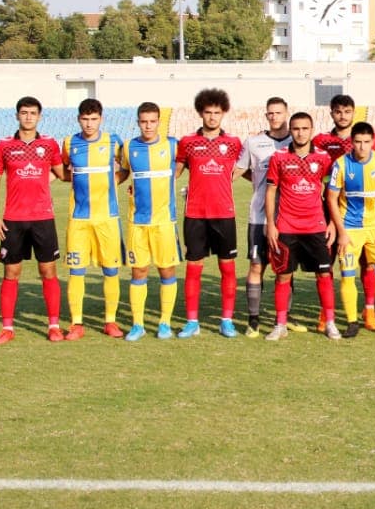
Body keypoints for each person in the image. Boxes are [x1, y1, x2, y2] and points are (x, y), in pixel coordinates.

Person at [0, 95, 65, 344]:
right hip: (13, 219)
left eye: (33, 113)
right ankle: (7, 328)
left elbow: (61, 174)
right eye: (24, 112)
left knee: (48, 270)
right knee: (11, 272)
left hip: (43, 218)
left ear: (40, 116)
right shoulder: (4, 146)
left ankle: (54, 325)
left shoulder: (51, 145)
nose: (28, 117)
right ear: (17, 115)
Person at [174, 88, 243, 338]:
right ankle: (192, 322)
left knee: (228, 268)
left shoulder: (233, 144)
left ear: (223, 113)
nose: (213, 117)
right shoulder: (187, 142)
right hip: (195, 214)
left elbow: (244, 169)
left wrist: (228, 180)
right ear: (200, 113)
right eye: (208, 112)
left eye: (217, 112)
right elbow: (176, 171)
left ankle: (227, 320)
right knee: (194, 268)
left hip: (224, 214)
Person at [264, 112, 339, 340]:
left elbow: (332, 193)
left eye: (304, 128)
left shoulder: (324, 159)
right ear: (291, 130)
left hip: (316, 226)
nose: (300, 133)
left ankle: (330, 322)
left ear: (311, 130)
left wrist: (333, 224)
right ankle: (280, 325)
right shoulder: (279, 158)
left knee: (324, 274)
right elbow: (271, 191)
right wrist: (271, 224)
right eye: (296, 129)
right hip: (286, 227)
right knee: (283, 276)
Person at [60, 98, 125, 339]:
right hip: (78, 219)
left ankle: (110, 321)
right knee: (76, 271)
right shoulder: (69, 143)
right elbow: (62, 171)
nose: (89, 124)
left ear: (101, 118)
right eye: (85, 119)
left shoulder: (113, 141)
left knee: (111, 270)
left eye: (94, 119)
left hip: (107, 218)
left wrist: (115, 180)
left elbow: (127, 167)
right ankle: (76, 323)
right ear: (78, 119)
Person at [117, 102, 181, 342]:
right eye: (144, 121)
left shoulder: (172, 146)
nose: (148, 126)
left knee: (167, 270)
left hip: (165, 221)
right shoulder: (128, 147)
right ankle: (138, 324)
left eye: (152, 121)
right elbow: (123, 173)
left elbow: (183, 167)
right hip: (138, 222)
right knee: (139, 270)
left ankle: (164, 323)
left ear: (158, 122)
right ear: (138, 122)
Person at [315, 94, 375, 330]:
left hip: (361, 212)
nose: (343, 116)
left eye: (347, 111)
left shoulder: (363, 139)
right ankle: (326, 311)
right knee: (327, 262)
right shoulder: (320, 141)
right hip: (328, 208)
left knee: (367, 262)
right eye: (338, 111)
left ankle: (369, 310)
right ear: (331, 113)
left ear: (354, 113)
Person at [235, 97, 299, 337]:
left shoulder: (297, 141)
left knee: (286, 268)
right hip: (259, 217)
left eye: (279, 113)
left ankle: (285, 316)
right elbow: (239, 170)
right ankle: (253, 319)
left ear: (286, 114)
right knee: (256, 265)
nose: (274, 117)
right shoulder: (253, 142)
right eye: (270, 113)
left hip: (290, 218)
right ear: (266, 116)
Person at [327, 122, 375, 337]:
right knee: (348, 275)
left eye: (367, 142)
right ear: (351, 142)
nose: (362, 147)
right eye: (358, 142)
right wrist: (342, 233)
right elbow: (331, 198)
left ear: (373, 142)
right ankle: (351, 322)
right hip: (350, 229)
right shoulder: (340, 164)